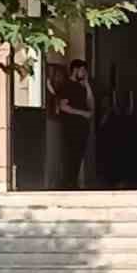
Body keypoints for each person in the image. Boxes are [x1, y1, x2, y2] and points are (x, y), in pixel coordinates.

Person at [55, 59, 95, 189]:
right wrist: (82, 113)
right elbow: (63, 107)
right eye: (82, 70)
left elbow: (91, 105)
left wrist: (87, 85)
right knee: (71, 155)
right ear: (75, 70)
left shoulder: (82, 87)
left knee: (78, 156)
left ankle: (73, 182)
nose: (84, 73)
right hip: (71, 127)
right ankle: (68, 183)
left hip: (82, 128)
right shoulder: (67, 86)